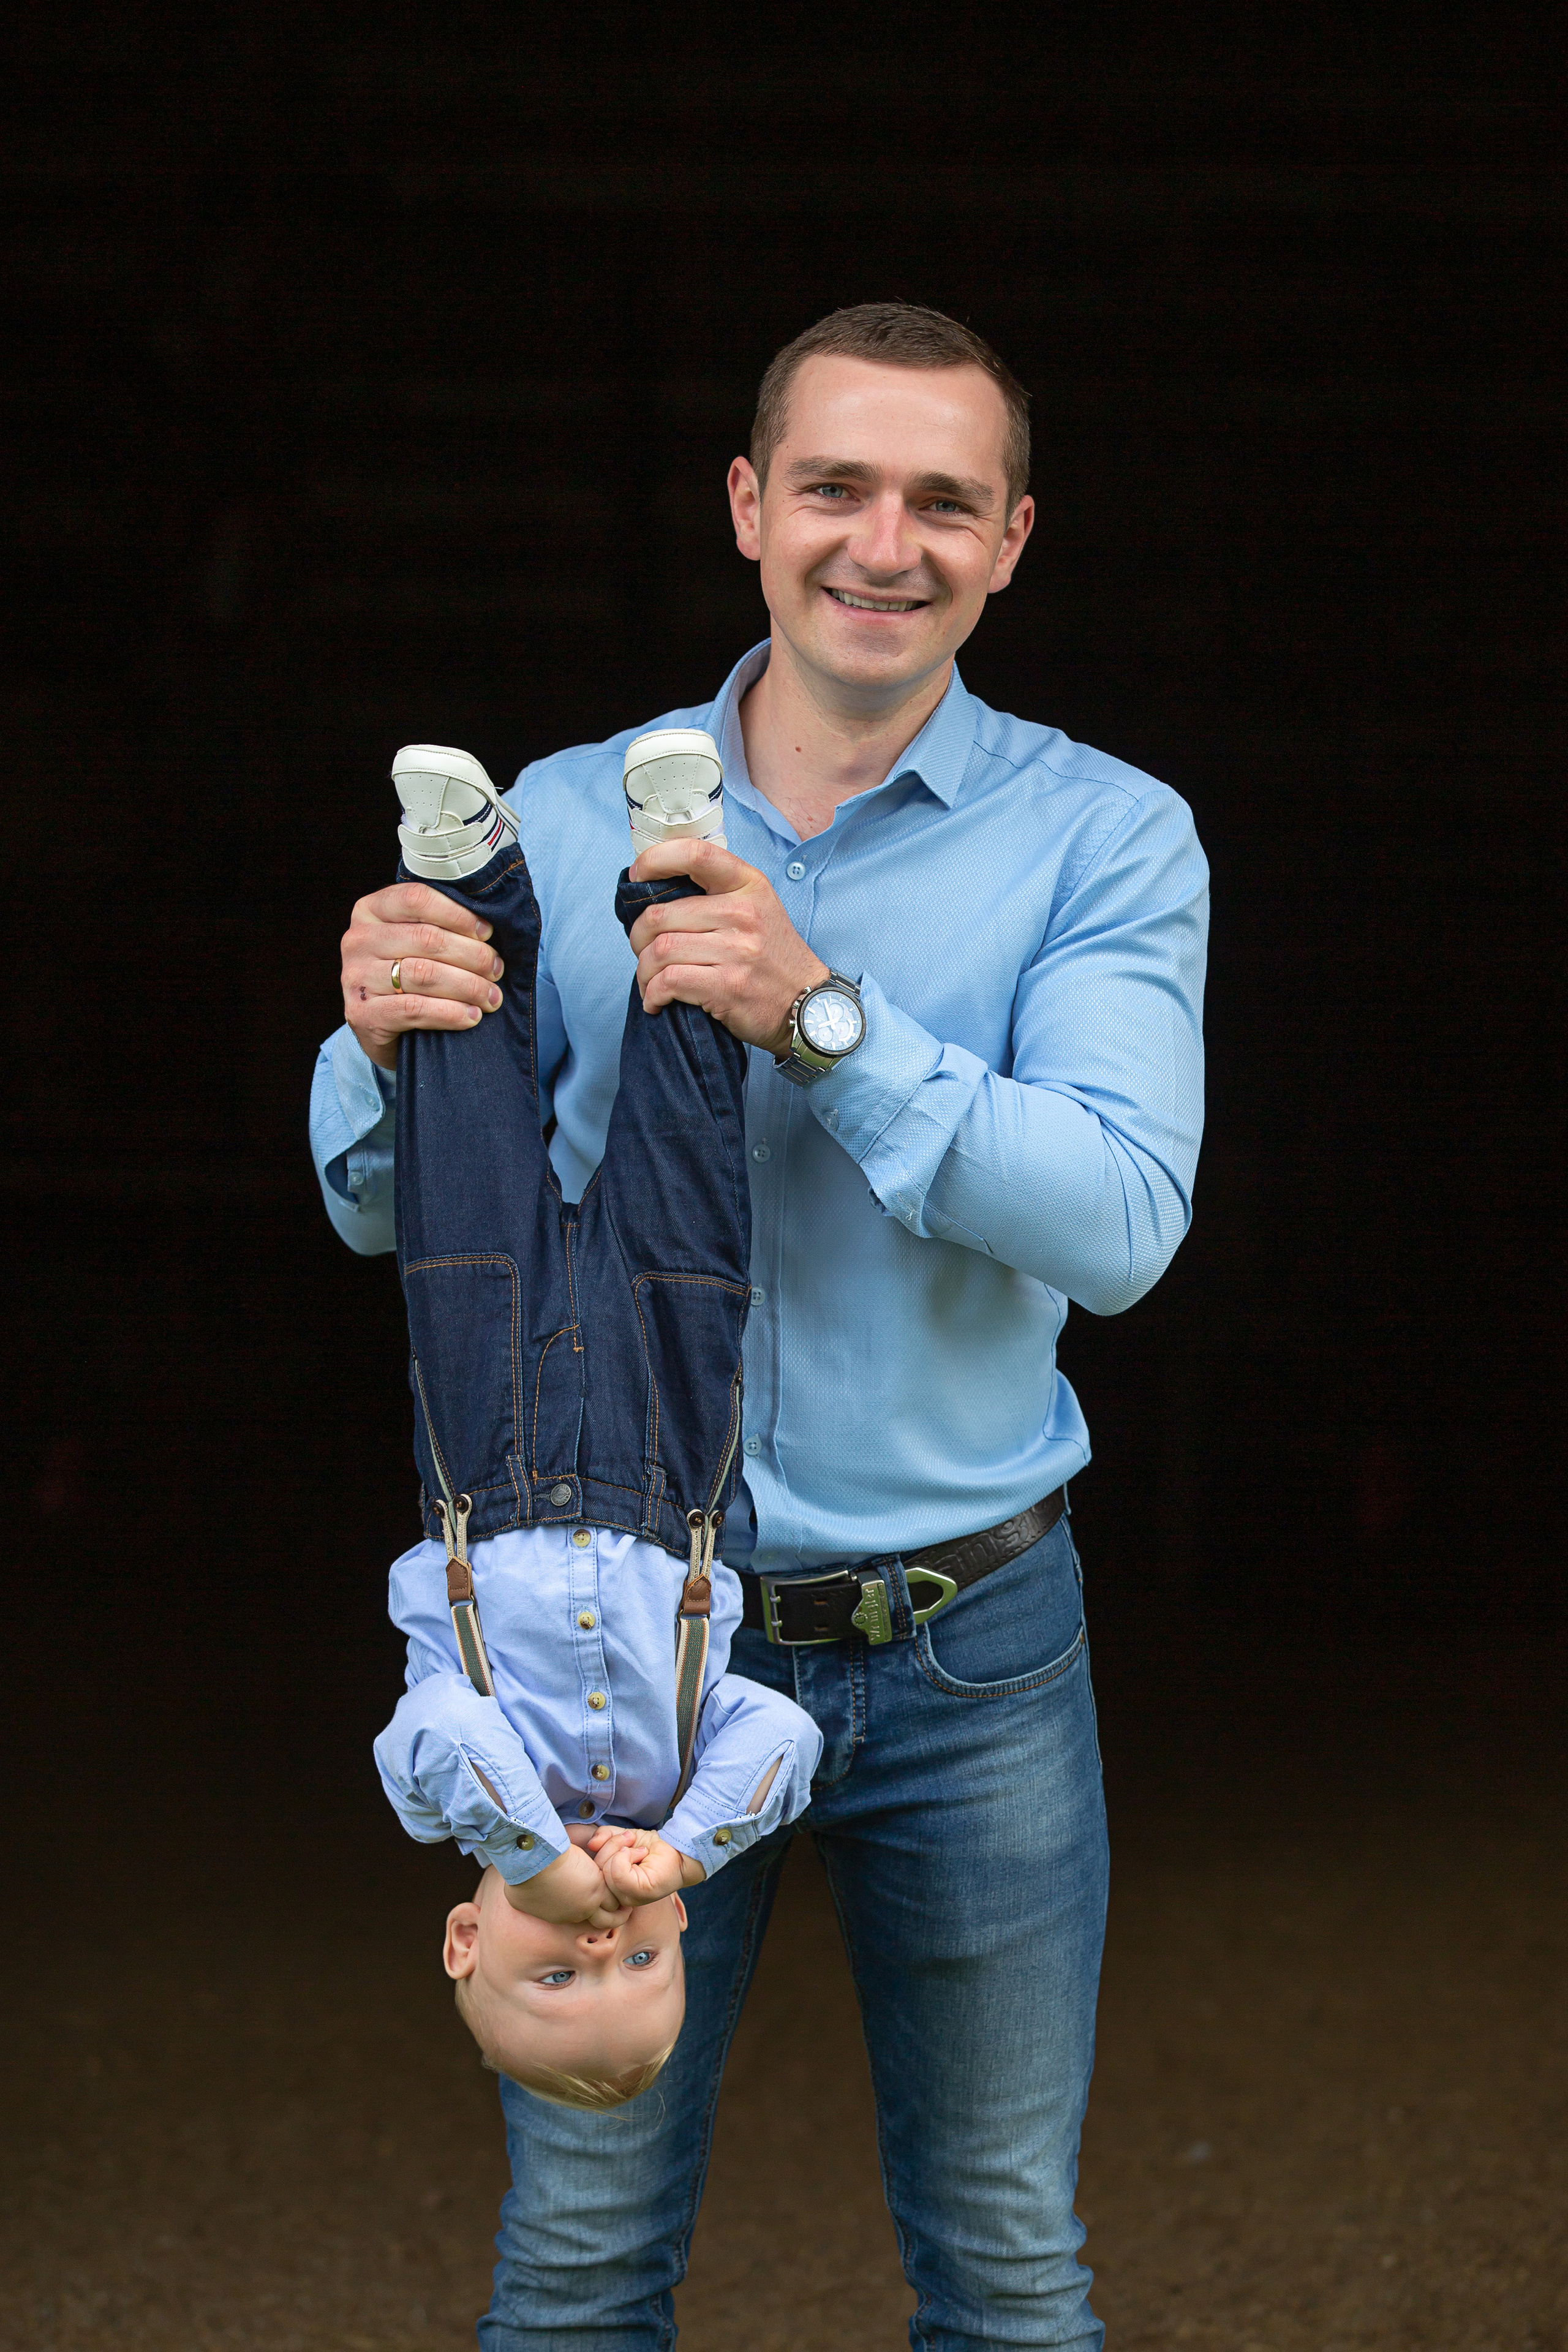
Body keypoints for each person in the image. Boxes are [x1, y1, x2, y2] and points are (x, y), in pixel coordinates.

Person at [312, 302, 1208, 2350]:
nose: (883, 543)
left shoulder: (1106, 839)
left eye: (943, 502)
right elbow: (380, 1211)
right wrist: (370, 1050)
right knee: (579, 2270)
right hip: (611, 1676)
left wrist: (822, 1013)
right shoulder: (549, 816)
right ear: (747, 507)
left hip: (970, 1649)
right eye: (835, 486)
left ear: (1013, 540)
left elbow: (1125, 1222)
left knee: (1005, 2270)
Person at [370, 738, 821, 2111]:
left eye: (552, 1977)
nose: (594, 1946)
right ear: (676, 1935)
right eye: (635, 1969)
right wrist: (681, 1851)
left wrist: (535, 1855)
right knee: (684, 1158)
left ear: (466, 1940)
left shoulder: (442, 1797)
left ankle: (464, 884)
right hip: (666, 1444)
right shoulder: (696, 1776)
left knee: (464, 1160)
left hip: (486, 1445)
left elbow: (448, 1724)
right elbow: (785, 1748)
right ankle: (671, 871)